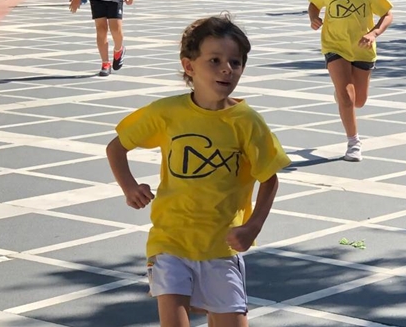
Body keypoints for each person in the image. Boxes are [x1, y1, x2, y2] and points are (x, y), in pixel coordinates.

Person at [106, 16, 289, 327]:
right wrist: (130, 187)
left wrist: (253, 226)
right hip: (170, 240)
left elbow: (269, 178)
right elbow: (116, 147)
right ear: (189, 66)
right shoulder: (167, 113)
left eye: (235, 61)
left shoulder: (246, 121)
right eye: (214, 60)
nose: (226, 69)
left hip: (221, 246)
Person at [308, 0, 394, 162]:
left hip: (363, 50)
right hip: (335, 46)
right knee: (347, 98)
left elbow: (387, 14)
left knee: (359, 101)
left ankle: (341, 93)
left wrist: (374, 33)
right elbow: (314, 4)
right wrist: (314, 17)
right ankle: (354, 142)